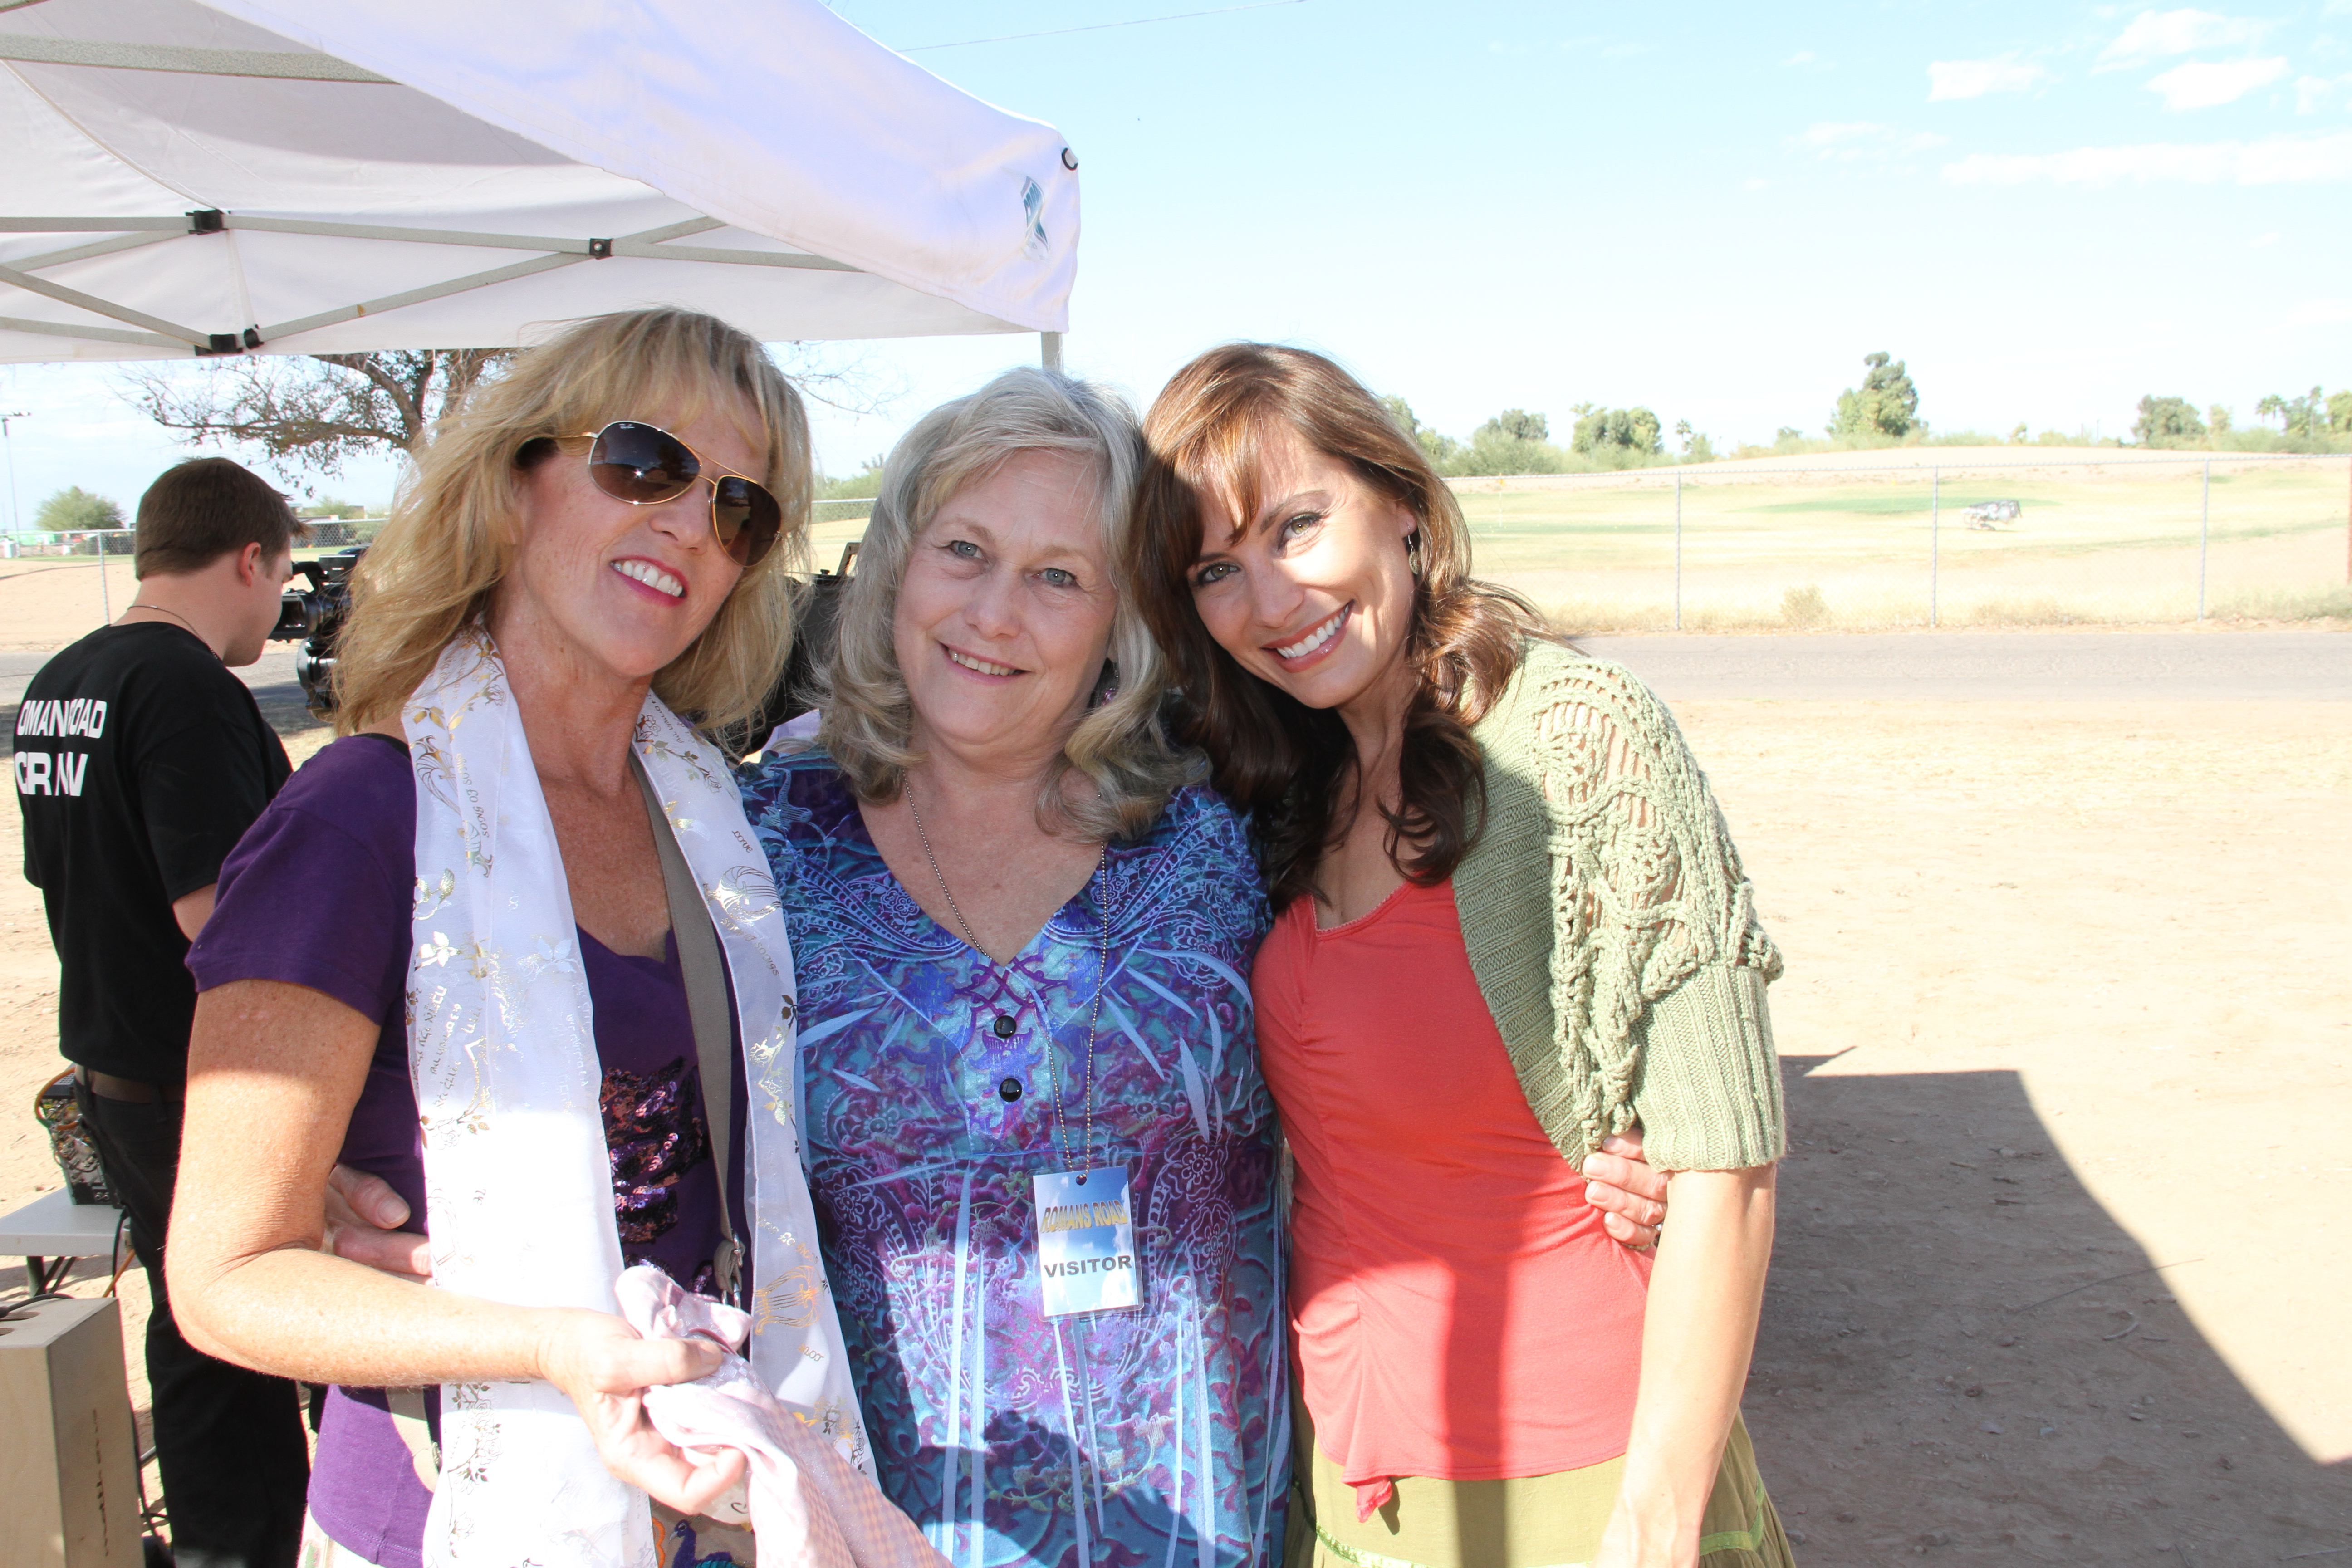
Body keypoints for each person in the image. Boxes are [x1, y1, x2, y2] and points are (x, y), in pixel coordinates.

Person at [165, 308, 869, 1568]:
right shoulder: (365, 818)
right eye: (645, 463)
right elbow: (224, 1277)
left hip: (703, 1502)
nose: (691, 524)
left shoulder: (710, 814)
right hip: (453, 1517)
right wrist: (545, 1343)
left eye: (741, 508)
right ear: (510, 491)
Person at [1134, 344, 1796, 1568]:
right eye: (1218, 569)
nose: (1271, 600)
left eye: (1299, 524)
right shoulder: (1277, 776)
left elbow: (1729, 1162)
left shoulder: (1579, 738)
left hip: (1579, 1481)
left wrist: (1654, 1530)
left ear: (1400, 502)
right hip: (1353, 1486)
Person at [735, 368, 1290, 1567]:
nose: (995, 614)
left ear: (1121, 625)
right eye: (964, 551)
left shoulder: (1231, 845)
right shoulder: (752, 851)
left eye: (1058, 578)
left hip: (1194, 1520)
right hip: (872, 1523)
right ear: (894, 570)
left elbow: (1393, 1024)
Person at [15, 456, 309, 1568]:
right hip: (207, 1084)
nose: (278, 611)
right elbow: (218, 917)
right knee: (237, 1345)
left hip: (114, 1073)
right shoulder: (186, 687)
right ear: (248, 558)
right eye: (280, 580)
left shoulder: (65, 680)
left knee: (193, 1336)